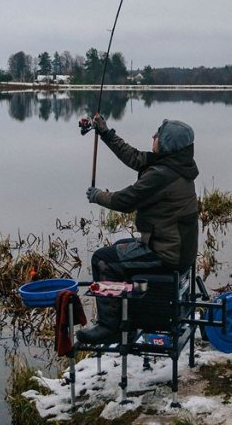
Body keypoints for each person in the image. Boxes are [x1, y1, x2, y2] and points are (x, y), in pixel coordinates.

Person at [76, 114, 200, 345]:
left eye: (158, 135)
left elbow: (125, 201)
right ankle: (129, 320)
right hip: (178, 249)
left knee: (103, 260)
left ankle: (109, 326)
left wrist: (97, 196)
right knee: (117, 248)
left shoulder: (162, 175)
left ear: (167, 144)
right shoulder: (175, 164)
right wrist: (105, 132)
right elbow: (133, 157)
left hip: (168, 253)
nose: (153, 136)